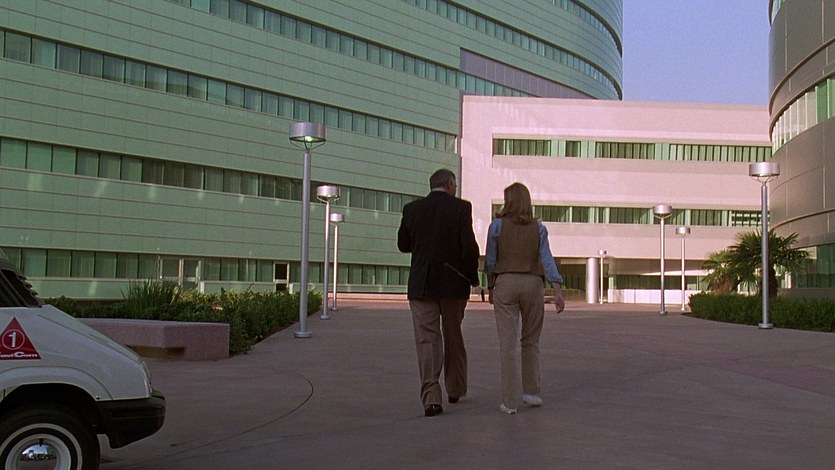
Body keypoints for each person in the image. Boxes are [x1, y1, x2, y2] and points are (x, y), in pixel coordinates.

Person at [397, 168, 480, 417]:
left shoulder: (412, 209)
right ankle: (455, 388)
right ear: (450, 184)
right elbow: (469, 248)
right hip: (453, 284)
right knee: (453, 335)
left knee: (427, 340)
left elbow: (403, 244)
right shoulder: (461, 208)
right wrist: (473, 277)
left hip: (421, 284)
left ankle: (432, 398)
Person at [484, 182, 565, 415]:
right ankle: (532, 392)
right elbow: (547, 259)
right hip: (533, 283)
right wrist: (557, 289)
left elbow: (491, 259)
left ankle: (510, 402)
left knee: (507, 345)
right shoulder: (539, 228)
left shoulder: (497, 226)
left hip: (506, 282)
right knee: (531, 340)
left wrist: (490, 285)